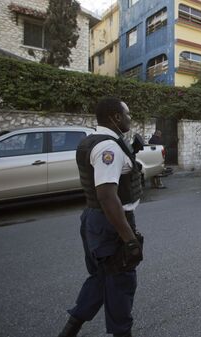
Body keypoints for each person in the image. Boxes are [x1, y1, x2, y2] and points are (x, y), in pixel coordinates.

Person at [58, 97, 144, 337]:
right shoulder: (108, 148)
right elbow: (107, 196)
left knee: (101, 276)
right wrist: (129, 239)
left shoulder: (94, 141)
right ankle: (121, 332)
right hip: (112, 221)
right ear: (115, 117)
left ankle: (70, 329)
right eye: (127, 114)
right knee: (121, 280)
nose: (130, 117)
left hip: (94, 219)